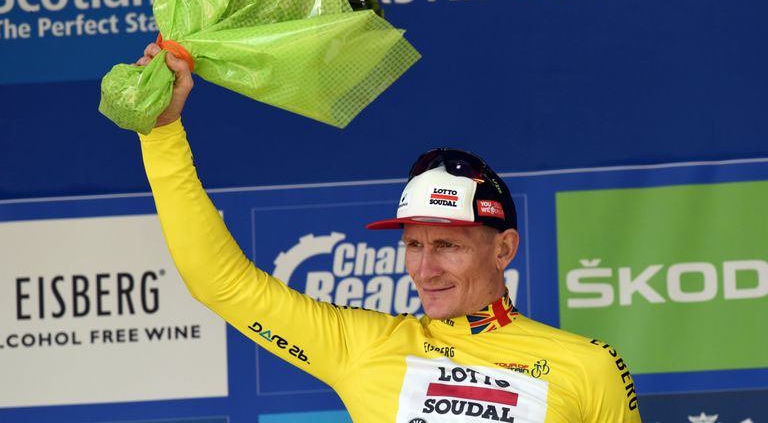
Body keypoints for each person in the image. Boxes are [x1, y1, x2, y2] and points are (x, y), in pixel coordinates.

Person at [135, 43, 642, 422]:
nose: (425, 269)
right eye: (413, 245)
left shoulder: (589, 367)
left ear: (504, 248)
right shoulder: (364, 344)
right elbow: (220, 284)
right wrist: (161, 133)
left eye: (447, 245)